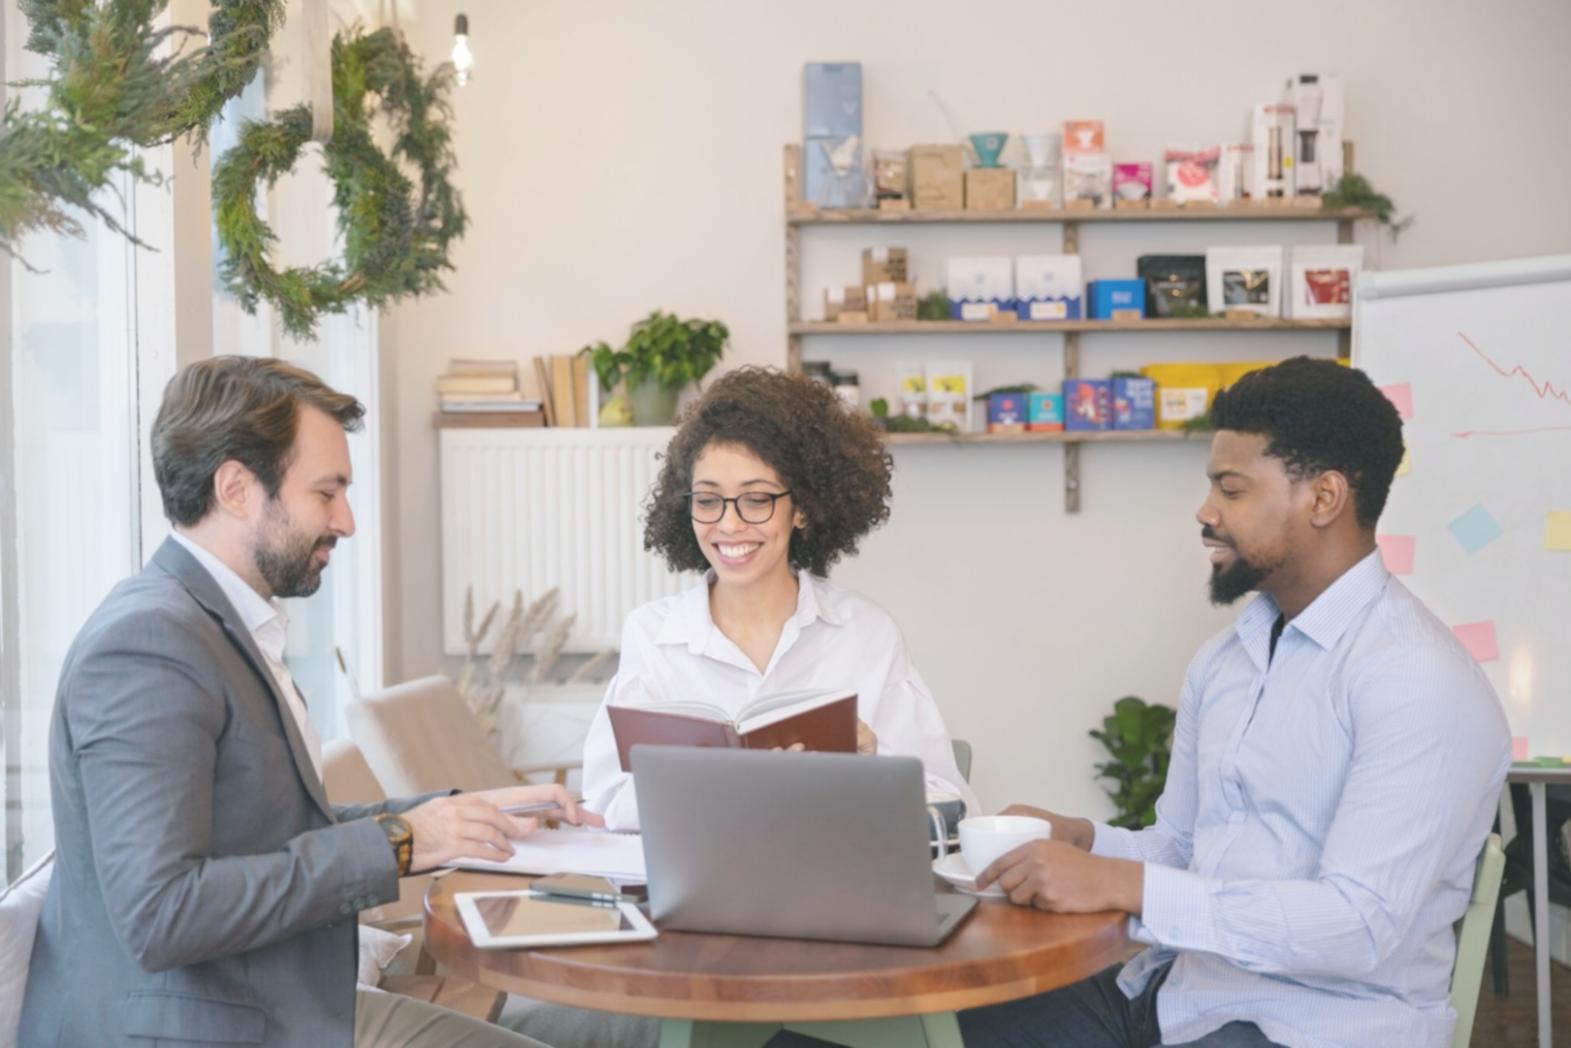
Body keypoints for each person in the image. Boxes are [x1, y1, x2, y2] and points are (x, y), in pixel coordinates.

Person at [20, 356, 598, 1048]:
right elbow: (161, 914)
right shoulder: (148, 646)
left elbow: (274, 828)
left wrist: (454, 818)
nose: (346, 521)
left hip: (265, 1005)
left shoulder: (214, 626)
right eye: (326, 493)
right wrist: (403, 842)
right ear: (236, 489)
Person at [959, 357, 1510, 1048]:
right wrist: (1083, 841)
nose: (1205, 511)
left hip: (1317, 1025)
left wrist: (1123, 884)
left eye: (1231, 489)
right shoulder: (1227, 659)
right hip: (1181, 995)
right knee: (947, 1027)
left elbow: (1358, 926)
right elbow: (1185, 846)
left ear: (1323, 498)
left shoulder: (1416, 680)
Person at [581, 366, 977, 831]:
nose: (729, 524)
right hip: (700, 874)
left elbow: (950, 805)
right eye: (707, 500)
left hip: (832, 872)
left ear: (803, 509)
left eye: (757, 500)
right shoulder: (651, 635)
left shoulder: (865, 633)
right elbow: (605, 804)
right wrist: (715, 783)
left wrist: (872, 763)